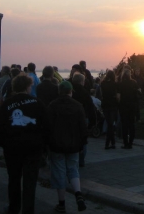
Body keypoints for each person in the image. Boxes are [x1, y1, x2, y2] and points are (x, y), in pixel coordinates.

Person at [0, 73, 50, 214]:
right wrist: (43, 146)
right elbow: (47, 127)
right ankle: (28, 210)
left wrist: (5, 144)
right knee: (30, 182)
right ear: (27, 87)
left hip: (12, 150)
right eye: (31, 85)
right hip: (33, 149)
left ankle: (14, 207)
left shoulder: (6, 105)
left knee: (14, 179)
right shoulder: (37, 103)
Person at [47, 81, 88, 213]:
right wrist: (82, 143)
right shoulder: (78, 106)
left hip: (57, 145)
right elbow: (83, 127)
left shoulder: (52, 106)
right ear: (70, 92)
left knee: (59, 172)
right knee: (73, 169)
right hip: (74, 144)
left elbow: (48, 127)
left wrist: (47, 144)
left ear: (59, 91)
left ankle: (62, 204)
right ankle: (78, 194)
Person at [118, 69, 139, 149]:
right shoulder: (134, 83)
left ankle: (125, 143)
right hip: (132, 106)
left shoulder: (121, 84)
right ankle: (131, 142)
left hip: (123, 107)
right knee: (131, 125)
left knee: (125, 126)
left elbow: (118, 97)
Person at [100, 70, 119, 150]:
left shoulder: (103, 84)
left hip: (105, 105)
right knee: (111, 124)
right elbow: (117, 96)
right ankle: (110, 143)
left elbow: (101, 94)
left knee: (109, 124)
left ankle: (110, 143)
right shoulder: (115, 84)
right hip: (113, 105)